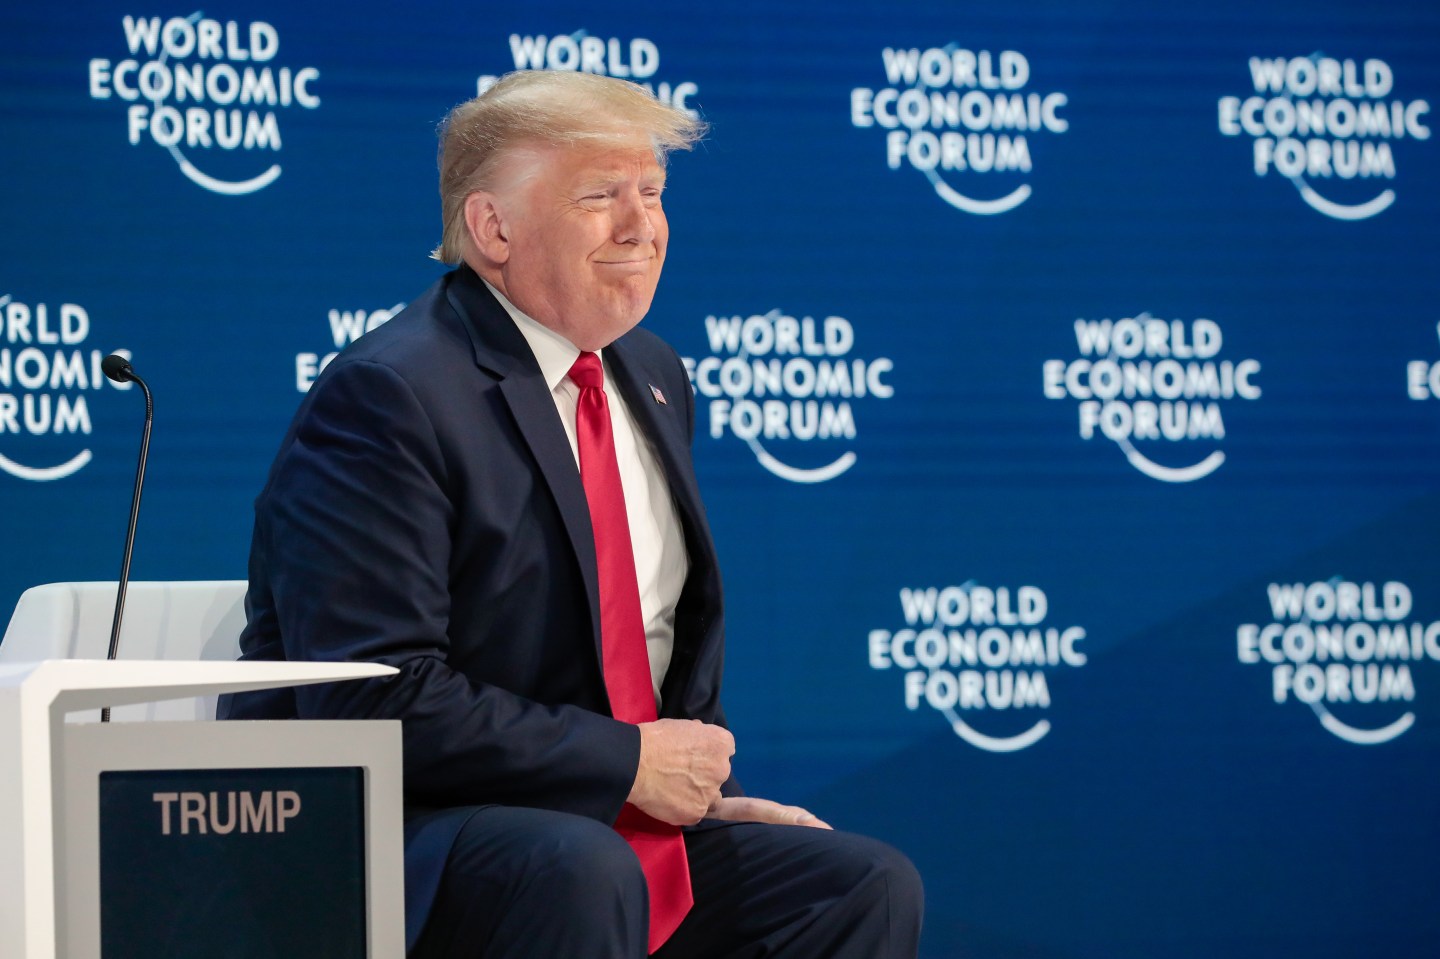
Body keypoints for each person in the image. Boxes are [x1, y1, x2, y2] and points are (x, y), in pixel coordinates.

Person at [221, 70, 922, 959]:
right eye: (600, 196)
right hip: (407, 833)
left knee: (856, 885)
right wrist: (628, 765)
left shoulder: (652, 372)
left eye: (652, 193)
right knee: (583, 868)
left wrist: (694, 794)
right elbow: (371, 696)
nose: (641, 226)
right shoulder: (390, 395)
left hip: (589, 818)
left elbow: (638, 642)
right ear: (493, 228)